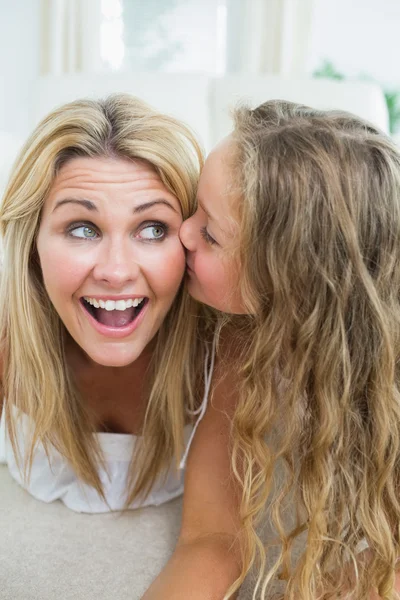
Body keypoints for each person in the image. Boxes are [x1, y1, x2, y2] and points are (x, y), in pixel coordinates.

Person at [0, 94, 243, 600]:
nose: (115, 271)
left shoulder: (224, 350)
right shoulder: (8, 336)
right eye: (82, 228)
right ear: (33, 243)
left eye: (152, 229)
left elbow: (214, 542)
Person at [180, 100, 400, 599]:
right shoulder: (241, 336)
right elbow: (210, 536)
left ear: (289, 282)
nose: (183, 233)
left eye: (209, 234)